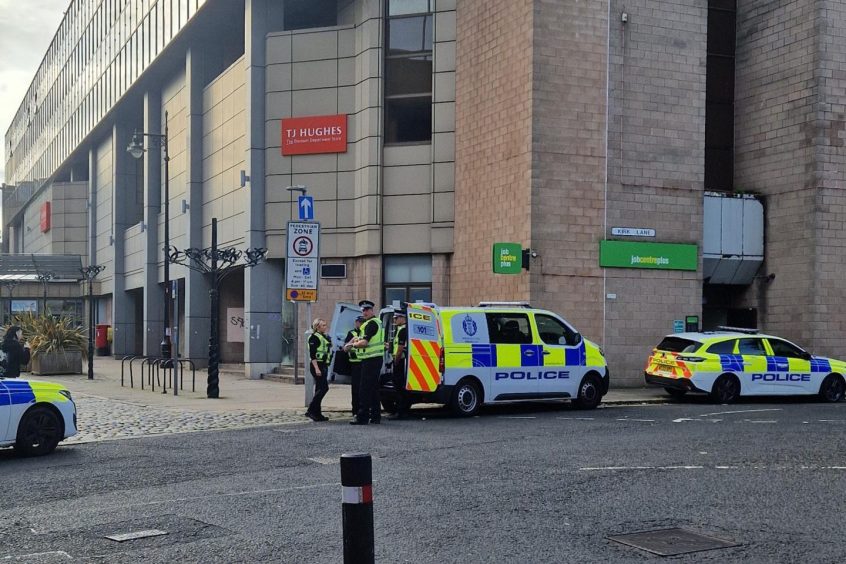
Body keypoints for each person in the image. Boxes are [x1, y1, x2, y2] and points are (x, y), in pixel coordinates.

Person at [349, 300, 384, 425]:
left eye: (367, 309)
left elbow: (365, 343)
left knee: (364, 389)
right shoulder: (376, 322)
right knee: (373, 389)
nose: (365, 312)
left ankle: (362, 417)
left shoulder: (371, 324)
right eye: (363, 310)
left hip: (371, 360)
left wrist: (352, 345)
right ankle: (375, 416)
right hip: (375, 359)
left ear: (372, 310)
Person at [305, 318, 331, 422]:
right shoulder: (314, 338)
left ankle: (317, 414)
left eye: (325, 325)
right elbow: (312, 355)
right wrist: (316, 368)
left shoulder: (324, 337)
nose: (325, 327)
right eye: (323, 325)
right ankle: (311, 410)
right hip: (317, 365)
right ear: (317, 327)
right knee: (324, 388)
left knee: (319, 389)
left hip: (323, 364)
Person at [388, 311, 410, 419]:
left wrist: (396, 361)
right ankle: (401, 411)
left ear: (402, 318)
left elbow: (400, 349)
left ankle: (401, 412)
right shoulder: (400, 329)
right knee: (399, 387)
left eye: (396, 318)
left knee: (399, 387)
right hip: (398, 360)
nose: (394, 320)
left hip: (399, 361)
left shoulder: (403, 330)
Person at [342, 317, 363, 416]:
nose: (361, 324)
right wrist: (352, 341)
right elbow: (345, 347)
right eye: (359, 322)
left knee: (364, 388)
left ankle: (364, 409)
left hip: (365, 362)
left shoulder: (366, 332)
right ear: (356, 323)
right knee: (355, 389)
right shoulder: (352, 333)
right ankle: (355, 410)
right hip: (355, 363)